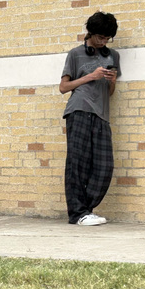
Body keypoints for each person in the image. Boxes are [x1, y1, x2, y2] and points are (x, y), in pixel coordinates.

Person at [59, 12, 120, 226]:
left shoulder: (112, 56)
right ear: (90, 33)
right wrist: (89, 77)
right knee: (78, 164)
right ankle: (77, 213)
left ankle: (85, 209)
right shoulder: (75, 55)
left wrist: (112, 81)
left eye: (107, 38)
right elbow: (63, 87)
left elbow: (109, 93)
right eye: (100, 37)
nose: (104, 42)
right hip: (78, 111)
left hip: (101, 114)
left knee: (105, 166)